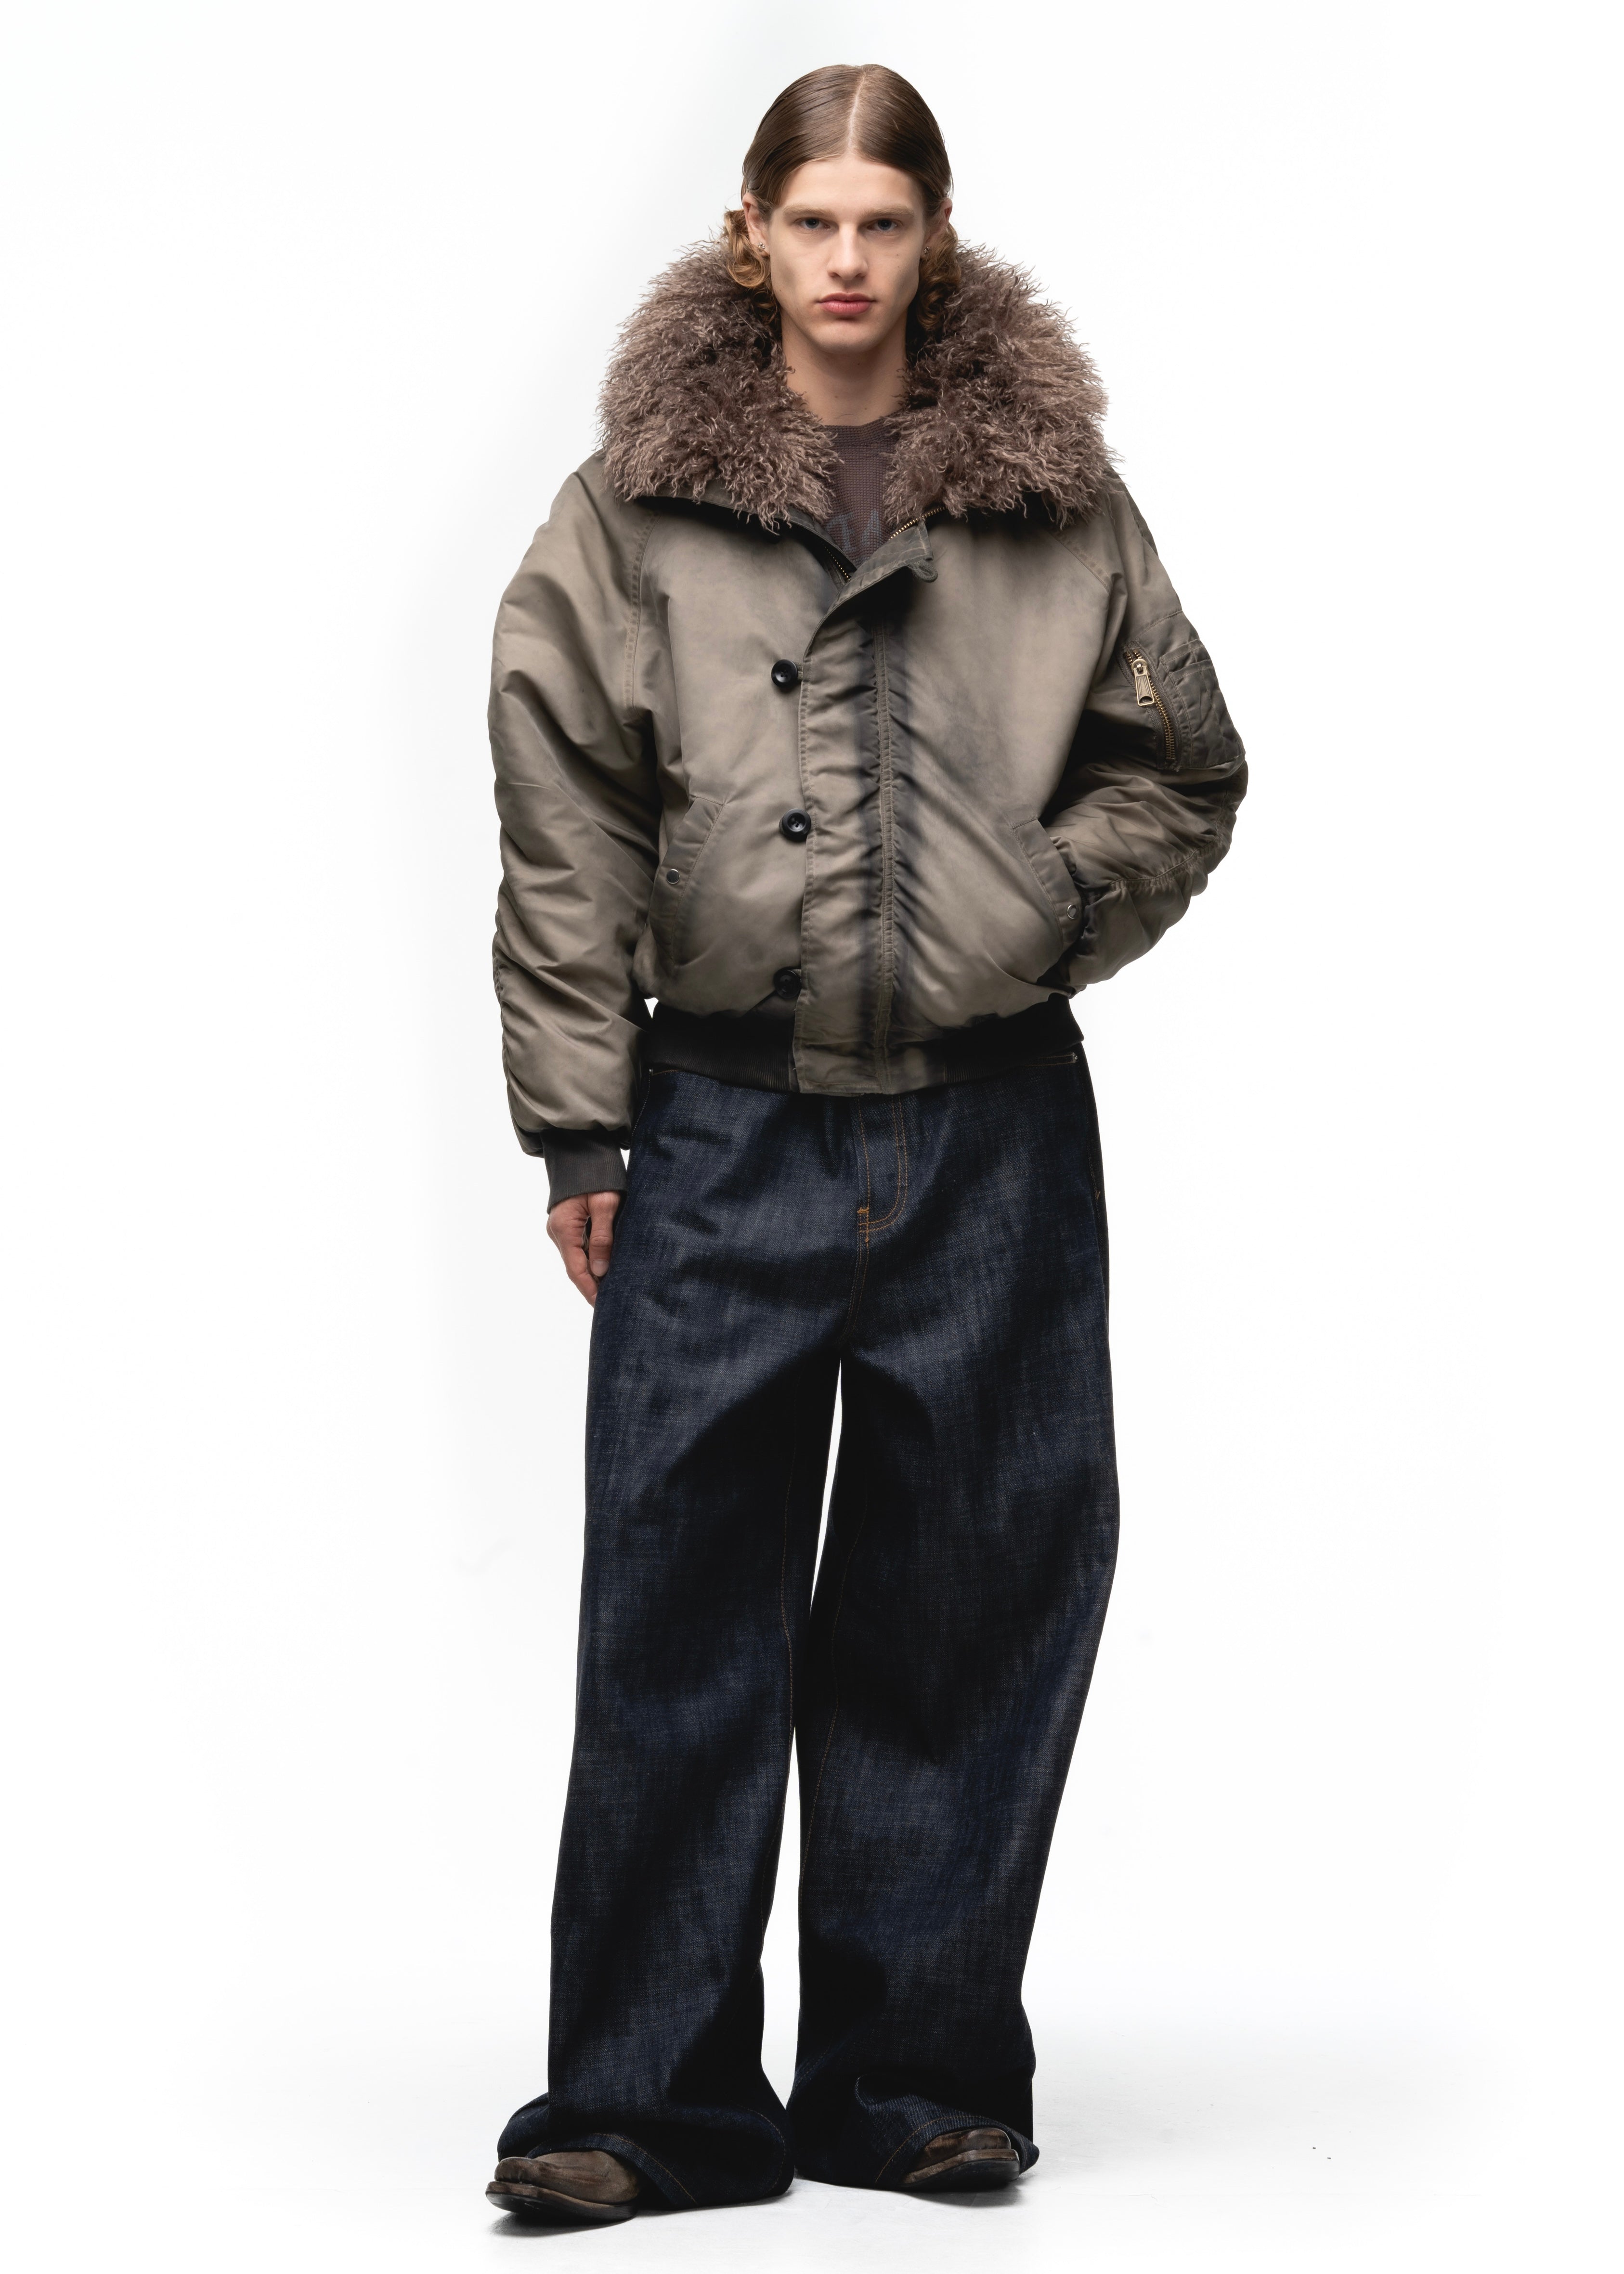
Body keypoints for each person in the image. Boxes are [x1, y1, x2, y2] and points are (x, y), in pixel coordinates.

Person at [483, 62, 1245, 2226]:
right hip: (716, 1117)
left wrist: (1033, 907)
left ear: (932, 235)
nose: (845, 261)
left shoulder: (1055, 500)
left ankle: (913, 2079)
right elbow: (562, 814)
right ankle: (644, 2100)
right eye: (809, 220)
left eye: (881, 224)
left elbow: (1179, 766)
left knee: (971, 1598)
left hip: (991, 1131)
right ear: (752, 235)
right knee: (676, 1608)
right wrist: (576, 1118)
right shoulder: (629, 507)